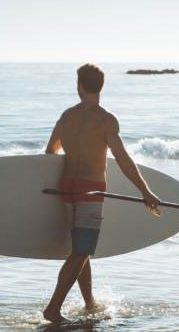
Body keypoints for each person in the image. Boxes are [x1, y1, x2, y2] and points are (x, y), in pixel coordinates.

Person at [43, 63, 160, 323]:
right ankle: (53, 309)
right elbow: (122, 159)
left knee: (80, 249)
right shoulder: (106, 119)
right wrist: (146, 191)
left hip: (66, 189)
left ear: (80, 86)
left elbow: (50, 152)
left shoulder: (66, 117)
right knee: (82, 251)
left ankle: (89, 303)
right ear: (100, 86)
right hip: (90, 190)